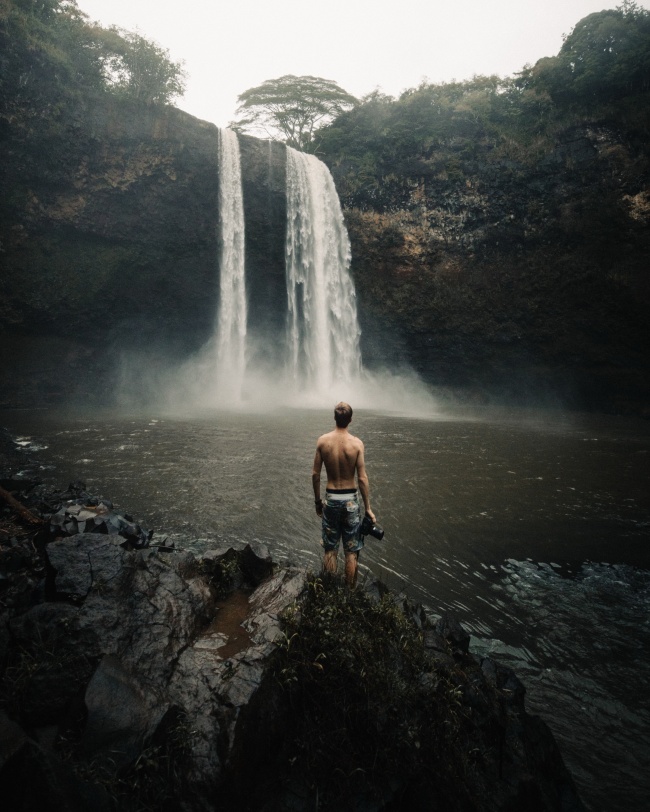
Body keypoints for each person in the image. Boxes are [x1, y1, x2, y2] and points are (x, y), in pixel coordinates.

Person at [312, 402, 376, 588]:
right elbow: (362, 478)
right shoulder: (357, 444)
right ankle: (349, 593)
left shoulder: (322, 441)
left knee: (330, 549)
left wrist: (317, 502)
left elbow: (315, 475)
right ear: (350, 420)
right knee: (351, 551)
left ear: (334, 418)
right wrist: (368, 509)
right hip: (350, 502)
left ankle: (330, 590)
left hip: (331, 499)